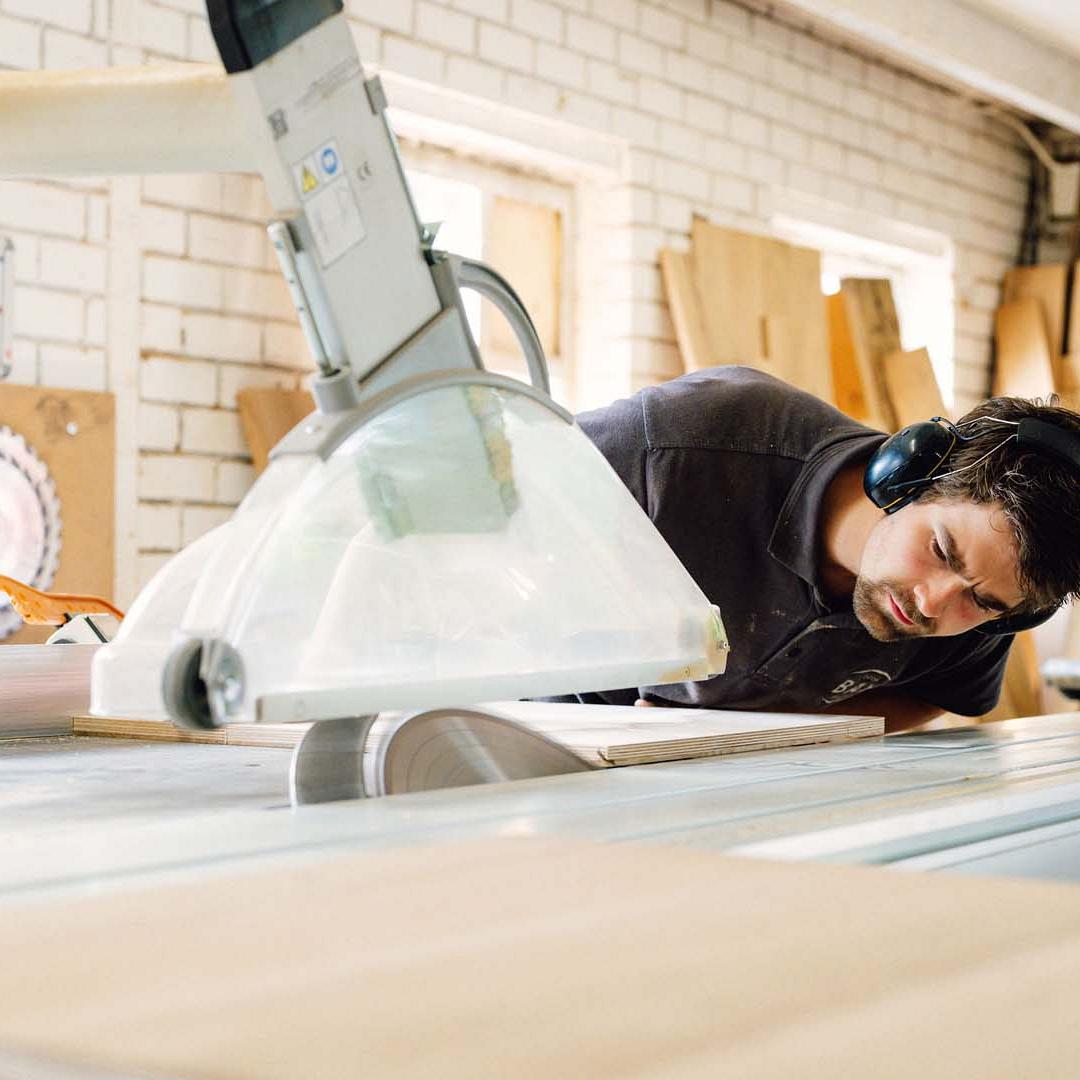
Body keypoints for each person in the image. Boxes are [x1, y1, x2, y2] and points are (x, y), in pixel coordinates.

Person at [565, 365, 1080, 732]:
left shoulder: (993, 596)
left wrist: (762, 736)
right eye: (942, 551)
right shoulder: (681, 445)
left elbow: (931, 696)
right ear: (910, 473)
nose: (933, 603)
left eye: (983, 602)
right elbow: (505, 505)